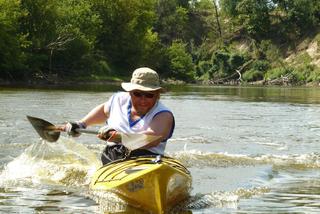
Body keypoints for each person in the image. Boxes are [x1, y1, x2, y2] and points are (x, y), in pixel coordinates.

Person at [63, 67, 175, 165]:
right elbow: (103, 111)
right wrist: (81, 124)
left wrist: (115, 136)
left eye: (149, 95)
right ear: (130, 92)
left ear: (157, 95)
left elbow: (150, 140)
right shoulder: (118, 99)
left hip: (147, 159)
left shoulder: (164, 115)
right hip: (113, 156)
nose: (143, 100)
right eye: (137, 94)